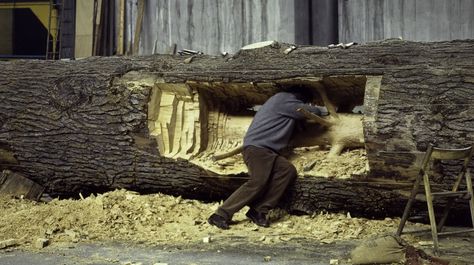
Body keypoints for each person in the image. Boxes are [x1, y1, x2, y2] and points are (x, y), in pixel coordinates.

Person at [207, 86, 328, 229]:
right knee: (257, 182)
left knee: (287, 171)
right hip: (257, 149)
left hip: (268, 151)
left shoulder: (283, 103)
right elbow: (306, 111)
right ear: (302, 97)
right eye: (309, 101)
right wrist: (321, 110)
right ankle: (220, 214)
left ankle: (258, 210)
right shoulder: (282, 99)